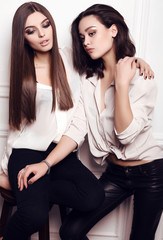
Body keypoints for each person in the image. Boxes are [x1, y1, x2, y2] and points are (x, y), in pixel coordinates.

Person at [17, 3, 163, 240]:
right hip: (115, 172)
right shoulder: (89, 82)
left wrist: (122, 84)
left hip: (152, 173)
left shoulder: (141, 77)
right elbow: (77, 128)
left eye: (92, 33)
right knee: (70, 231)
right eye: (82, 36)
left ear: (113, 30)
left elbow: (125, 134)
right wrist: (45, 164)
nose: (86, 41)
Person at [0, 2, 107, 240]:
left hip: (59, 152)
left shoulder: (70, 57)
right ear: (23, 38)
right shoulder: (23, 71)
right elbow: (17, 128)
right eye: (31, 31)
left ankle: (35, 194)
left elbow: (106, 57)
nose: (41, 34)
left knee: (93, 197)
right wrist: (5, 169)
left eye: (45, 25)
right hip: (25, 152)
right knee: (33, 216)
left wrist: (133, 60)